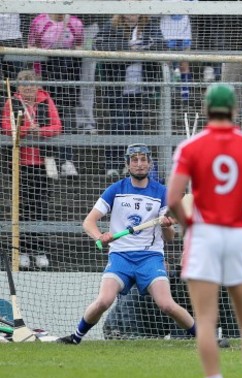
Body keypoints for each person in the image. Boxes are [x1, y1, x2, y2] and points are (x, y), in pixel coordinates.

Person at [167, 83, 242, 378]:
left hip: (204, 236)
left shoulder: (190, 146)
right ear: (236, 111)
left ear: (205, 109)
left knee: (206, 320)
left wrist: (190, 226)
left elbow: (172, 200)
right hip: (238, 235)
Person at [57, 143, 196, 344]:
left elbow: (170, 237)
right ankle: (75, 337)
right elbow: (88, 222)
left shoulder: (161, 193)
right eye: (134, 160)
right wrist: (99, 236)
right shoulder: (116, 189)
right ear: (127, 164)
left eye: (143, 160)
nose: (139, 164)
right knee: (104, 301)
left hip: (150, 258)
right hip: (120, 256)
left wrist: (166, 226)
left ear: (150, 164)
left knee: (166, 304)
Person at [1, 69, 62, 269]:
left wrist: (41, 131)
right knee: (22, 207)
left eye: (32, 84)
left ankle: (40, 250)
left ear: (38, 86)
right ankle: (23, 251)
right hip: (20, 163)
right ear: (19, 87)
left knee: (40, 206)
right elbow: (6, 126)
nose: (28, 88)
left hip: (43, 163)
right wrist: (27, 130)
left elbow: (56, 126)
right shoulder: (12, 102)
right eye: (24, 84)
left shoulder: (46, 101)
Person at [95, 14, 164, 177]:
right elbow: (97, 44)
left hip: (141, 88)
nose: (132, 15)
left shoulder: (150, 25)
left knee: (136, 126)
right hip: (117, 87)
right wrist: (127, 47)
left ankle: (133, 165)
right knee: (118, 125)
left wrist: (143, 47)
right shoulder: (111, 25)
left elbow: (162, 44)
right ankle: (112, 164)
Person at [28, 13, 84, 175]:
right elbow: (31, 46)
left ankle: (67, 160)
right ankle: (49, 158)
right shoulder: (39, 21)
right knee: (46, 115)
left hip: (69, 76)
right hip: (45, 75)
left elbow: (80, 46)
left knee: (67, 116)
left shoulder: (76, 23)